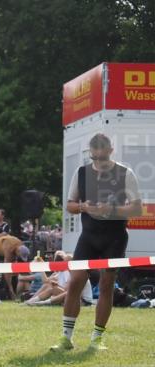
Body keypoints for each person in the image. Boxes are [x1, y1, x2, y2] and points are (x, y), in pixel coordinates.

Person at [51, 133, 142, 350]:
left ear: (111, 151)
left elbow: (137, 208)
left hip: (115, 236)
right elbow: (70, 205)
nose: (99, 163)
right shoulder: (81, 173)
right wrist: (84, 207)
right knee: (75, 282)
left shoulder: (125, 173)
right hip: (89, 235)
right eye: (95, 159)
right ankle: (66, 337)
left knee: (106, 284)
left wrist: (111, 209)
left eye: (102, 158)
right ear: (90, 154)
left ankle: (97, 339)